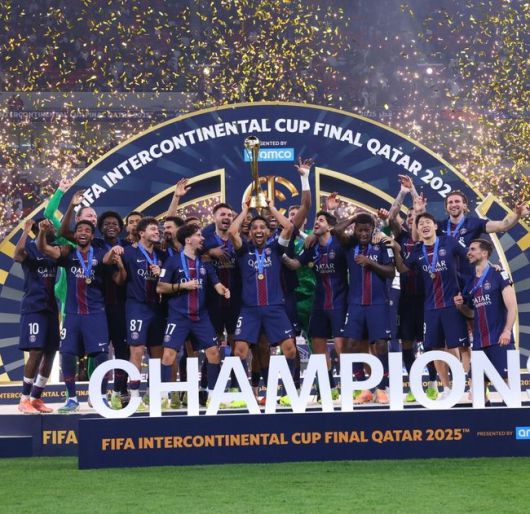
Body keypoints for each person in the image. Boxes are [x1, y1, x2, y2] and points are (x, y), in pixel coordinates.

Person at [36, 220, 119, 413]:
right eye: (79, 230)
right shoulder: (68, 253)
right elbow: (43, 248)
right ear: (75, 235)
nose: (83, 232)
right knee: (67, 354)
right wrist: (41, 232)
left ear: (92, 236)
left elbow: (110, 261)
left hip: (95, 314)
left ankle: (100, 397)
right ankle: (72, 399)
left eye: (87, 230)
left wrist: (115, 251)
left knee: (101, 355)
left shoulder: (100, 253)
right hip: (72, 315)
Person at [387, 212, 470, 401]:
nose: (424, 225)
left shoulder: (449, 242)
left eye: (427, 222)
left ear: (435, 226)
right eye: (420, 224)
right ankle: (446, 388)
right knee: (436, 348)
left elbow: (470, 256)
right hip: (430, 307)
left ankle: (461, 385)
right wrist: (397, 250)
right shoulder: (417, 251)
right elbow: (403, 268)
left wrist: (490, 266)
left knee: (457, 346)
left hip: (451, 305)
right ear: (417, 230)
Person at [228, 200, 296, 402]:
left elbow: (289, 227)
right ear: (249, 232)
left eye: (262, 227)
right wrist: (244, 211)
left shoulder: (275, 249)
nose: (258, 230)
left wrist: (272, 208)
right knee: (239, 351)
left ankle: (288, 394)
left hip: (275, 308)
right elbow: (232, 232)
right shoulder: (243, 251)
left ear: (268, 232)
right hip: (249, 310)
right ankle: (244, 395)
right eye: (254, 228)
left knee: (290, 349)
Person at [157, 224, 230, 407]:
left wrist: (224, 290)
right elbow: (160, 287)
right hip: (178, 317)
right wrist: (183, 286)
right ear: (188, 240)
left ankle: (212, 395)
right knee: (168, 355)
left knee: (214, 353)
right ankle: (163, 398)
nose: (202, 238)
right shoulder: (172, 262)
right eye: (198, 235)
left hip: (200, 317)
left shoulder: (205, 263)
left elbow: (217, 284)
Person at [282, 210, 347, 400]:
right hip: (319, 303)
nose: (316, 222)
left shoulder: (340, 244)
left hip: (339, 301)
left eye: (321, 220)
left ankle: (350, 387)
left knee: (341, 346)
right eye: (316, 220)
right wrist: (280, 255)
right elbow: (295, 264)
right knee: (318, 346)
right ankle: (329, 388)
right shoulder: (312, 247)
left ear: (330, 226)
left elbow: (342, 228)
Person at [336, 212, 395, 404]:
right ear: (355, 229)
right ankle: (364, 388)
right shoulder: (349, 245)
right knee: (350, 345)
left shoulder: (381, 245)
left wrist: (370, 262)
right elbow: (336, 230)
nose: (363, 234)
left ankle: (382, 388)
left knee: (380, 345)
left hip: (378, 303)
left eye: (367, 230)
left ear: (372, 229)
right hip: (355, 304)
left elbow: (390, 271)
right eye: (360, 230)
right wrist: (355, 218)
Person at [110, 217, 166, 410]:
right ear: (142, 233)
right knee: (137, 351)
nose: (157, 232)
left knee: (157, 353)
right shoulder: (128, 252)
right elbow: (117, 277)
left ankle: (152, 394)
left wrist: (161, 273)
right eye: (153, 229)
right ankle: (134, 396)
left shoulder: (161, 254)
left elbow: (169, 278)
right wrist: (116, 257)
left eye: (158, 229)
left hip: (157, 307)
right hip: (136, 307)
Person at [454, 239, 517, 402]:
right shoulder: (470, 282)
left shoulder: (499, 274)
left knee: (508, 386)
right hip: (480, 343)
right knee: (478, 390)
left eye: (472, 249)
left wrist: (507, 331)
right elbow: (470, 312)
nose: (468, 253)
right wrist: (460, 306)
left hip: (499, 339)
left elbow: (512, 307)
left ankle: (512, 416)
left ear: (484, 253)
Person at [14, 219, 59, 413]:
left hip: (51, 308)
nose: (52, 228)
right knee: (36, 351)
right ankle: (24, 399)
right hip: (34, 307)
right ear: (39, 229)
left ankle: (36, 398)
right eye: (48, 226)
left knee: (50, 353)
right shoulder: (30, 248)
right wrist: (26, 231)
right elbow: (17, 255)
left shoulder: (54, 249)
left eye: (52, 226)